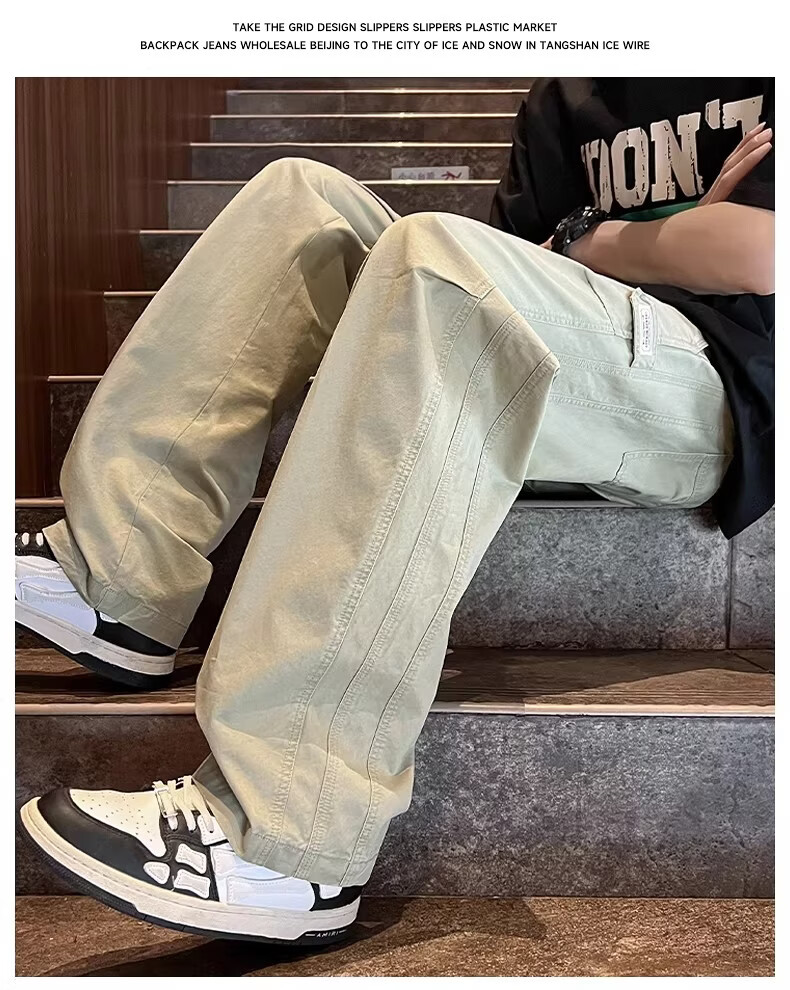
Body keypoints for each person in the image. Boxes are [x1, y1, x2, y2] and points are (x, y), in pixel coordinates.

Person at [16, 77, 774, 945]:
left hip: (710, 393)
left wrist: (593, 235)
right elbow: (531, 256)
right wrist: (662, 236)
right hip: (568, 361)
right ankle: (120, 576)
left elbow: (760, 255)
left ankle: (288, 835)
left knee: (439, 257)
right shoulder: (569, 92)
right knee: (303, 201)